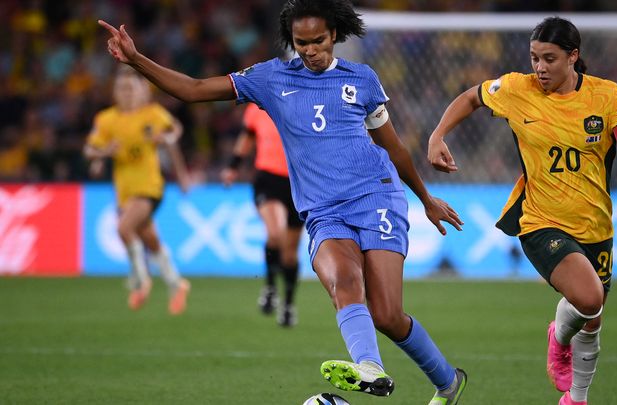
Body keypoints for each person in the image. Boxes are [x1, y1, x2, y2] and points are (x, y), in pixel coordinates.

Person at [99, 1, 467, 403]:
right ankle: (370, 368)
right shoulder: (270, 77)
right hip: (323, 210)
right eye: (301, 42)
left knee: (387, 316)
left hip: (376, 195)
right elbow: (194, 89)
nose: (310, 50)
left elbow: (393, 147)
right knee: (343, 281)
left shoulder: (361, 79)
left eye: (318, 41)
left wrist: (426, 198)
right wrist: (136, 60)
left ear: (335, 36)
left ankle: (448, 383)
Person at [428, 17, 617, 405]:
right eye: (534, 58)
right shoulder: (517, 89)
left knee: (592, 315)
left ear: (573, 57)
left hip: (595, 223)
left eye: (549, 59)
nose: (540, 67)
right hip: (539, 220)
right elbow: (471, 97)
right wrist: (437, 135)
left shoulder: (606, 95)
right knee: (589, 298)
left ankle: (575, 396)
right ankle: (563, 352)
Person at [84, 66, 191, 315]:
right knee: (150, 239)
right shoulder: (106, 120)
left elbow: (175, 129)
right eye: (122, 88)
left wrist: (173, 151)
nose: (127, 93)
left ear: (140, 91)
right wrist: (102, 154)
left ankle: (141, 280)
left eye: (131, 88)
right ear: (115, 93)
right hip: (124, 189)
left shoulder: (152, 114)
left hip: (150, 186)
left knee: (123, 228)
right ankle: (177, 283)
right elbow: (90, 149)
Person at [221, 103, 304, 328]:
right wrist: (233, 166)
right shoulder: (257, 106)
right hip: (267, 179)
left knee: (289, 254)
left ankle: (288, 304)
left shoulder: (305, 103)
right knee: (275, 233)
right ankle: (269, 287)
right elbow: (247, 136)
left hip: (300, 183)